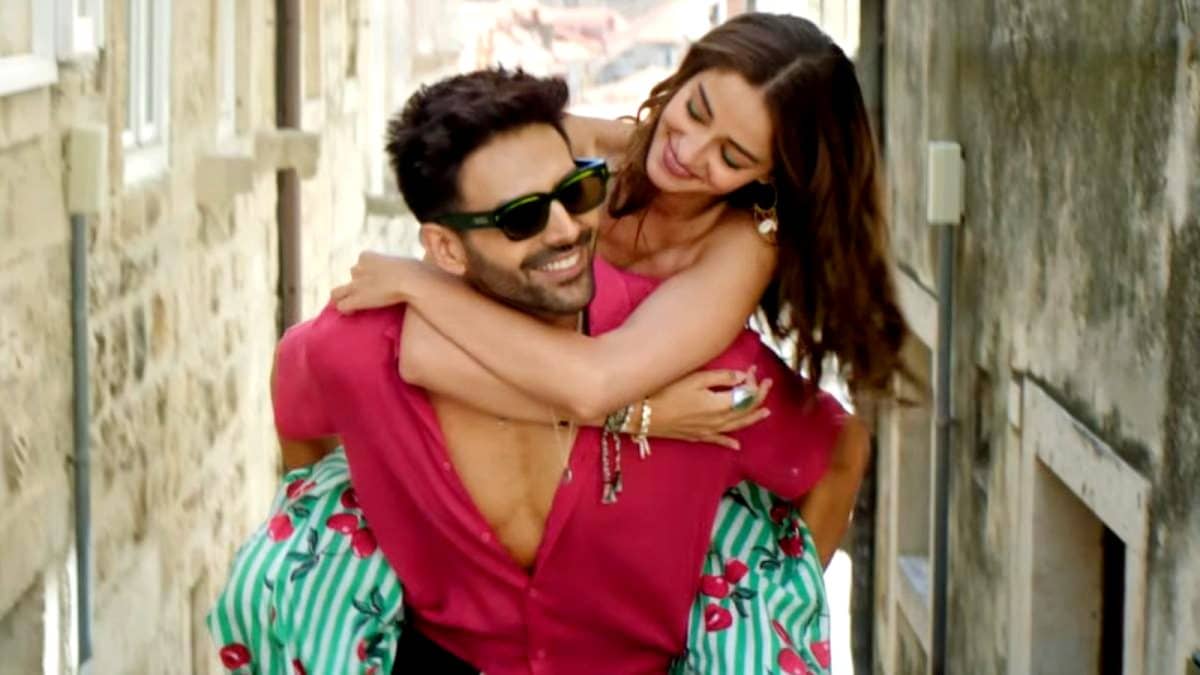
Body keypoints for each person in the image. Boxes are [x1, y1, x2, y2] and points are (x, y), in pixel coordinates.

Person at [209, 65, 860, 674]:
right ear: (445, 249)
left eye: (577, 193)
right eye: (520, 218)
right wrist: (344, 536)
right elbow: (297, 410)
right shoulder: (358, 349)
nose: (566, 231)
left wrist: (766, 607)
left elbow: (839, 452)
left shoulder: (699, 370)